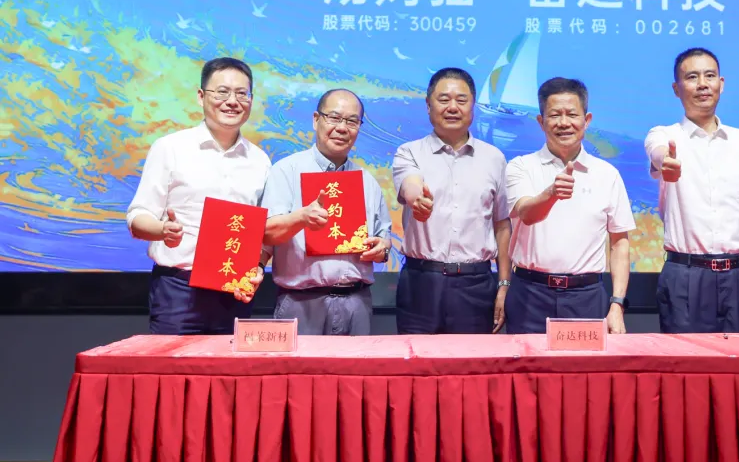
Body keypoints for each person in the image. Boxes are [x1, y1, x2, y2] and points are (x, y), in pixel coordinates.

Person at [127, 57, 271, 334]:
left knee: (231, 364)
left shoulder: (260, 161)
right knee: (172, 364)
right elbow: (137, 216)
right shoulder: (170, 148)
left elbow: (262, 232)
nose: (232, 101)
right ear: (201, 96)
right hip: (179, 290)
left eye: (242, 93)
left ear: (251, 100)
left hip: (235, 291)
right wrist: (162, 231)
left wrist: (258, 266)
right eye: (222, 92)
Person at [644, 47, 739, 333]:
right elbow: (657, 151)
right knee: (685, 360)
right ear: (676, 89)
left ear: (721, 84)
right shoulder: (665, 135)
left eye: (710, 76)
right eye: (692, 77)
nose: (702, 84)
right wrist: (665, 162)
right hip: (685, 275)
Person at [504, 78, 634, 334]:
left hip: (586, 297)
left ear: (587, 120)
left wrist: (617, 304)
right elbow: (526, 213)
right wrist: (551, 194)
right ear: (541, 122)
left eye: (572, 115)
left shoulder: (607, 174)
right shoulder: (520, 167)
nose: (564, 123)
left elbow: (620, 242)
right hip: (530, 295)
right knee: (527, 361)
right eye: (554, 115)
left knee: (585, 363)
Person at [260, 89, 391, 336]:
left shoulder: (367, 181)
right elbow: (267, 233)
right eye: (334, 117)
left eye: (352, 121)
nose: (342, 128)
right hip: (301, 302)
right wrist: (300, 217)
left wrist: (381, 249)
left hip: (356, 302)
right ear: (315, 119)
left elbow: (384, 239)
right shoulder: (286, 171)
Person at [392, 68, 511, 334]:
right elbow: (411, 184)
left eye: (461, 100)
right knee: (416, 359)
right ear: (428, 105)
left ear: (473, 105)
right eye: (444, 99)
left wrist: (504, 284)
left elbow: (502, 225)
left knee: (473, 360)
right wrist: (418, 200)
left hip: (476, 284)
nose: (453, 107)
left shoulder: (494, 158)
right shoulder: (409, 152)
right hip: (420, 282)